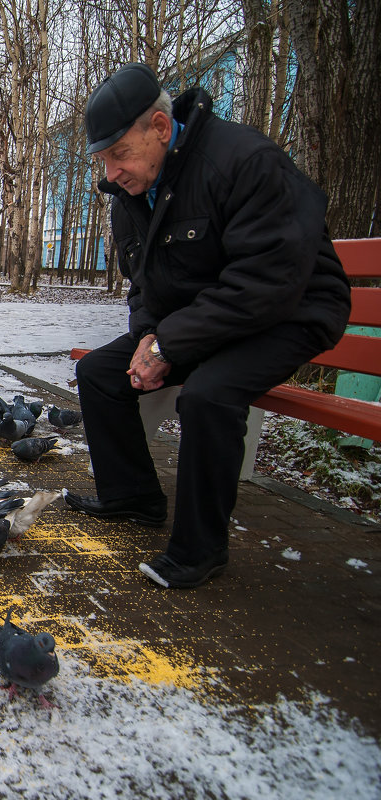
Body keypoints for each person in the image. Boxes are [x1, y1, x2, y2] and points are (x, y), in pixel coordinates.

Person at [66, 63, 350, 589]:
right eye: (102, 159)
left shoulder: (243, 161)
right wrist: (150, 333)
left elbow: (267, 282)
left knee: (208, 394)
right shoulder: (131, 193)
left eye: (119, 154)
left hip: (291, 312)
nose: (110, 173)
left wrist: (171, 342)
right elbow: (144, 283)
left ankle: (201, 549)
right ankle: (133, 496)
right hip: (205, 318)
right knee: (101, 372)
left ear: (159, 126)